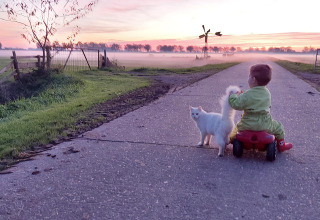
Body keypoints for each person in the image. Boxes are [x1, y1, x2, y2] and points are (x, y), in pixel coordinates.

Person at [228, 64, 293, 152]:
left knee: (235, 130)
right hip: (265, 124)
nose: (248, 79)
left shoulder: (247, 95)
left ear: (253, 79)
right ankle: (281, 145)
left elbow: (236, 104)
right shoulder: (267, 93)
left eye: (249, 76)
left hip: (247, 124)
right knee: (279, 127)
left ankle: (230, 141)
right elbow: (255, 97)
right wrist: (245, 94)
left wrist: (232, 96)